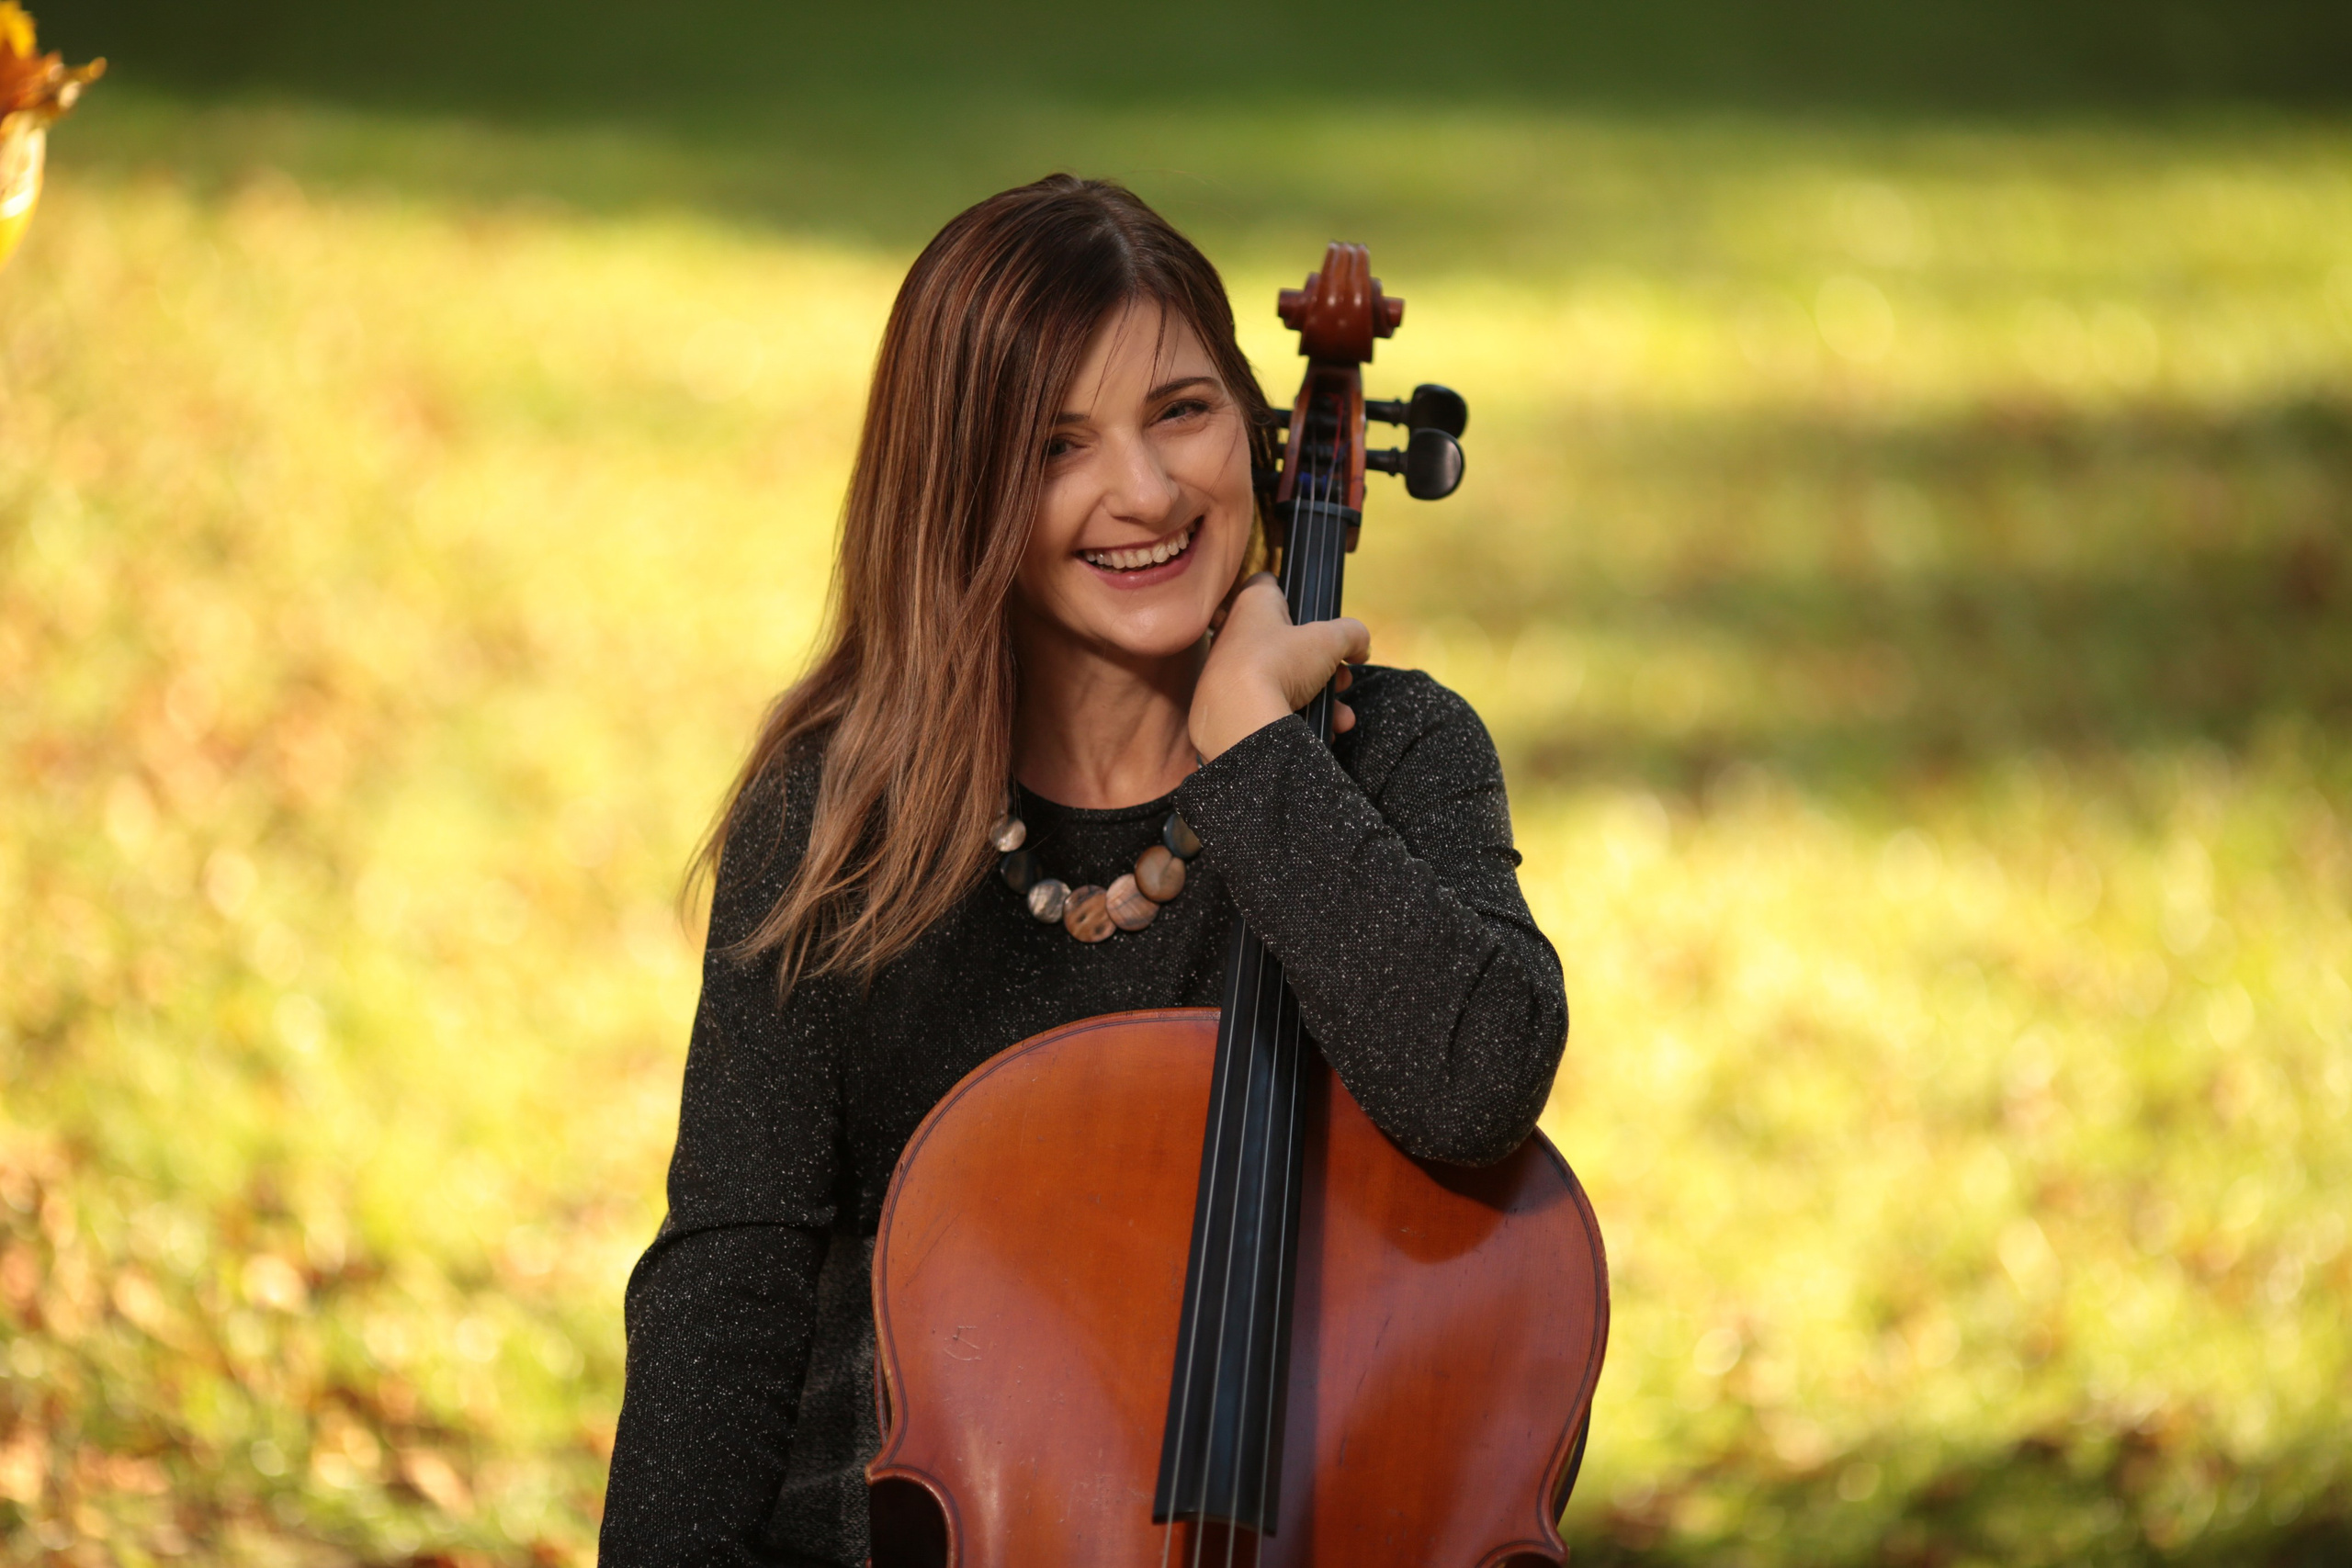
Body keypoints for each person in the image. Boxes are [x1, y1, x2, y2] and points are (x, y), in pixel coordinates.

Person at [598, 175, 1568, 1567]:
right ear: (960, 494)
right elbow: (725, 1289)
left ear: (1260, 423)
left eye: (1181, 410)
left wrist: (1255, 760)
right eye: (1057, 446)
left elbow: (1480, 1085)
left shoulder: (1391, 752)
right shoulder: (838, 812)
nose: (1148, 491)